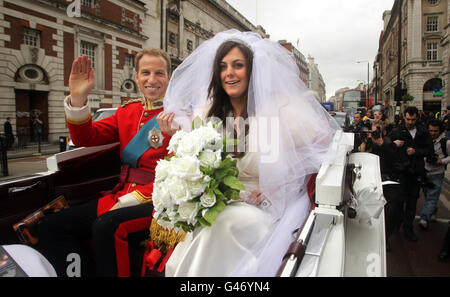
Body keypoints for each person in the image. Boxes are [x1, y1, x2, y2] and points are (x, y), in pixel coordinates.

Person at [157, 29, 338, 276]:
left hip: (265, 209)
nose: (229, 72)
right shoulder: (207, 113)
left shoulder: (278, 113)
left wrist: (271, 190)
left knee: (224, 224)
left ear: (252, 71)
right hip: (220, 204)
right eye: (223, 66)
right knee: (213, 223)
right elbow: (196, 162)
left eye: (238, 65)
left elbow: (313, 155)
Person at [36, 48, 172, 276]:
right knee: (52, 227)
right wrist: (78, 98)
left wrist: (129, 201)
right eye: (145, 72)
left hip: (157, 201)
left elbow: (176, 174)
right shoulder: (127, 112)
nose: (152, 79)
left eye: (159, 73)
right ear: (137, 77)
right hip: (118, 194)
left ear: (169, 77)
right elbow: (84, 137)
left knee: (107, 226)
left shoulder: (180, 116)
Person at [387, 106, 433, 242]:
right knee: (397, 203)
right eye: (408, 119)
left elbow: (429, 149)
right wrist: (394, 144)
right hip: (401, 174)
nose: (410, 122)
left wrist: (416, 151)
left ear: (417, 118)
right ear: (404, 117)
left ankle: (408, 229)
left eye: (413, 119)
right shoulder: (397, 131)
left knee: (412, 204)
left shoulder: (423, 132)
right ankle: (395, 227)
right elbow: (387, 146)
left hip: (416, 174)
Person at [418, 119, 449, 230]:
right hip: (425, 172)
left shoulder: (446, 142)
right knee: (428, 195)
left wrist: (442, 161)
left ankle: (424, 219)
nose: (432, 133)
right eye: (430, 130)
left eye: (435, 131)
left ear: (440, 130)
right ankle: (432, 211)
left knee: (431, 197)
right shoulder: (424, 140)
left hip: (437, 173)